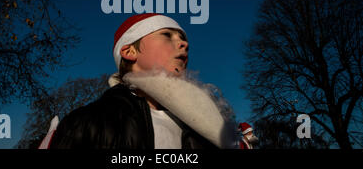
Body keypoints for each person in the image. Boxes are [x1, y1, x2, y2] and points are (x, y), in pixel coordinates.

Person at [44, 13, 237, 149]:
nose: (184, 44)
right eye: (167, 35)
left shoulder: (206, 128)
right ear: (130, 51)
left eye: (183, 38)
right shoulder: (87, 122)